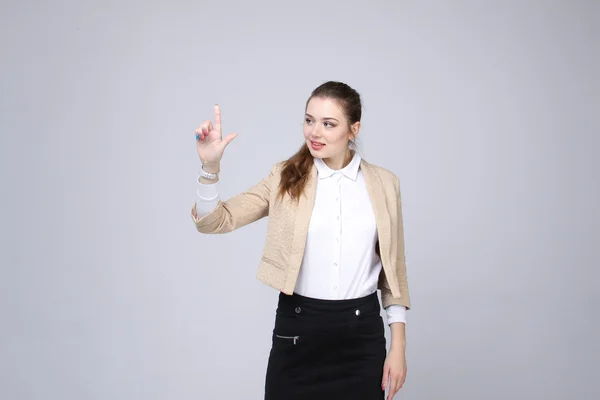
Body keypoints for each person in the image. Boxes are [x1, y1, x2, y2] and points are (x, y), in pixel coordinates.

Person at [190, 81, 411, 400]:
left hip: (361, 339)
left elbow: (395, 271)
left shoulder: (385, 184)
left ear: (354, 129)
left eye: (328, 124)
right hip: (298, 332)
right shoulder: (283, 177)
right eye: (309, 120)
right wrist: (209, 167)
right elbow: (215, 220)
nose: (314, 132)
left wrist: (399, 347)